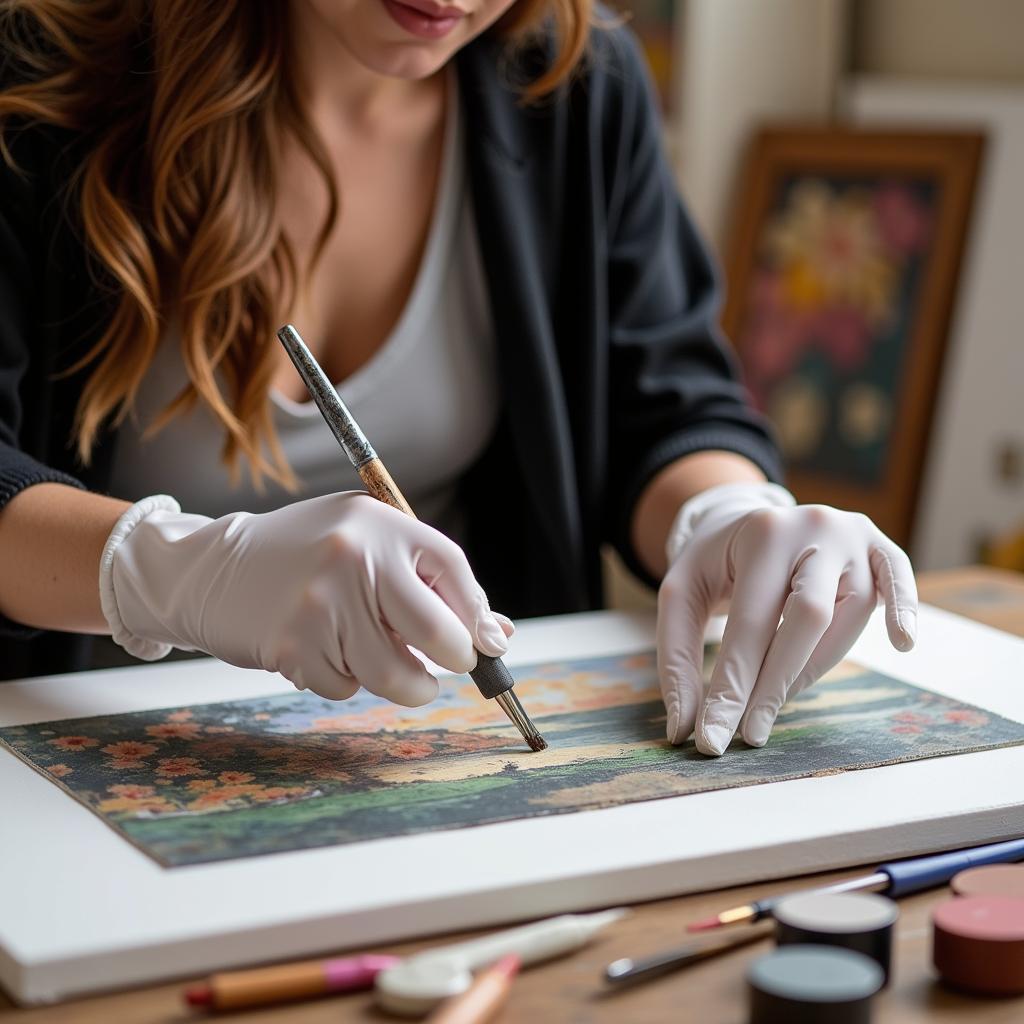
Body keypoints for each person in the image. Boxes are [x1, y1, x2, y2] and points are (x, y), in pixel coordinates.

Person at [0, 0, 916, 756]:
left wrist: (730, 517)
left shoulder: (579, 85)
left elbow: (663, 402)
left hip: (440, 759)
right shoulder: (33, 80)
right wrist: (177, 574)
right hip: (82, 766)